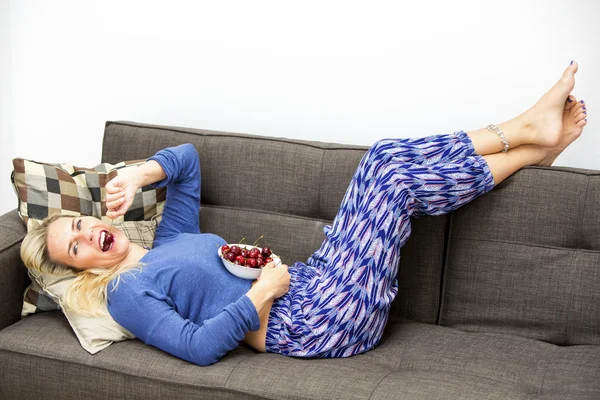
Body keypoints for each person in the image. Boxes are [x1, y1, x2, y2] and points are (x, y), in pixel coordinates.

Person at [20, 61, 588, 366]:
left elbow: (187, 161)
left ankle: (533, 145)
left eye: (81, 222)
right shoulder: (125, 293)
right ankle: (523, 132)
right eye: (76, 246)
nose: (90, 234)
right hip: (311, 322)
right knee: (388, 169)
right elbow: (195, 348)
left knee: (385, 160)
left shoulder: (169, 240)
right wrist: (261, 293)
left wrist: (143, 172)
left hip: (315, 281)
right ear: (86, 270)